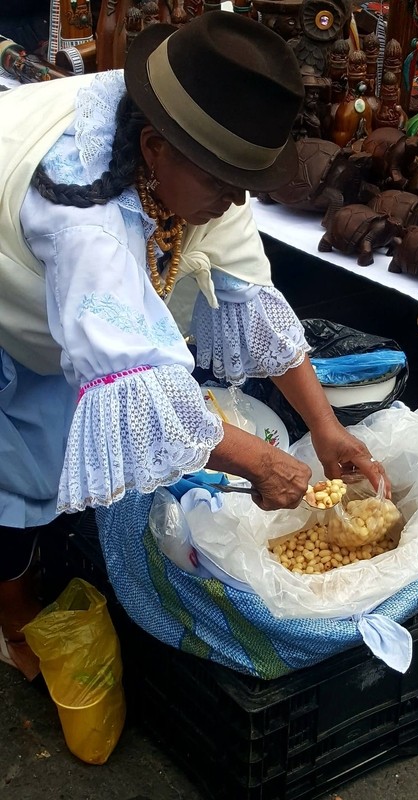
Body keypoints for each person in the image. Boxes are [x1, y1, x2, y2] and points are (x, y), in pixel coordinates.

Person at [0, 11, 387, 679]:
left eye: (245, 182)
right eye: (222, 182)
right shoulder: (82, 219)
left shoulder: (195, 158)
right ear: (154, 149)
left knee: (46, 448)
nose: (236, 200)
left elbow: (247, 293)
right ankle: (13, 610)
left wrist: (325, 427)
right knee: (11, 459)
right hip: (12, 296)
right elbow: (138, 386)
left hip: (60, 312)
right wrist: (260, 464)